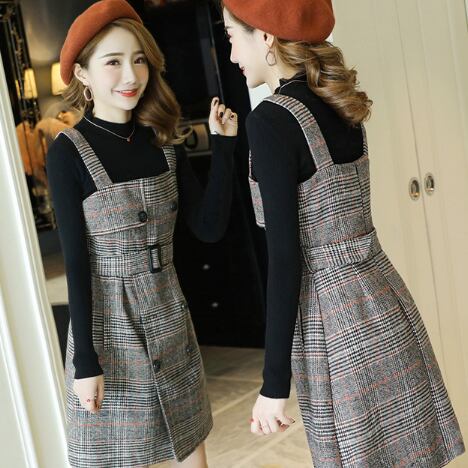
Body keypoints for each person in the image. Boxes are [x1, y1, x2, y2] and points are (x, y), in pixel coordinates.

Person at [220, 0, 465, 466]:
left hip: (332, 321)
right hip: (383, 299)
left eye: (232, 37)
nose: (231, 55)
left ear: (265, 36)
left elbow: (285, 259)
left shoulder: (270, 120)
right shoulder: (337, 100)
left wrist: (274, 385)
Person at [46, 1, 237, 467]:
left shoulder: (162, 139)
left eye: (138, 60)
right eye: (113, 62)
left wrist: (225, 147)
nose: (131, 75)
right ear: (83, 74)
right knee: (126, 455)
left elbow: (209, 228)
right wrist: (85, 362)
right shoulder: (69, 152)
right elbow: (77, 264)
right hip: (110, 328)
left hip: (169, 313)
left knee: (191, 444)